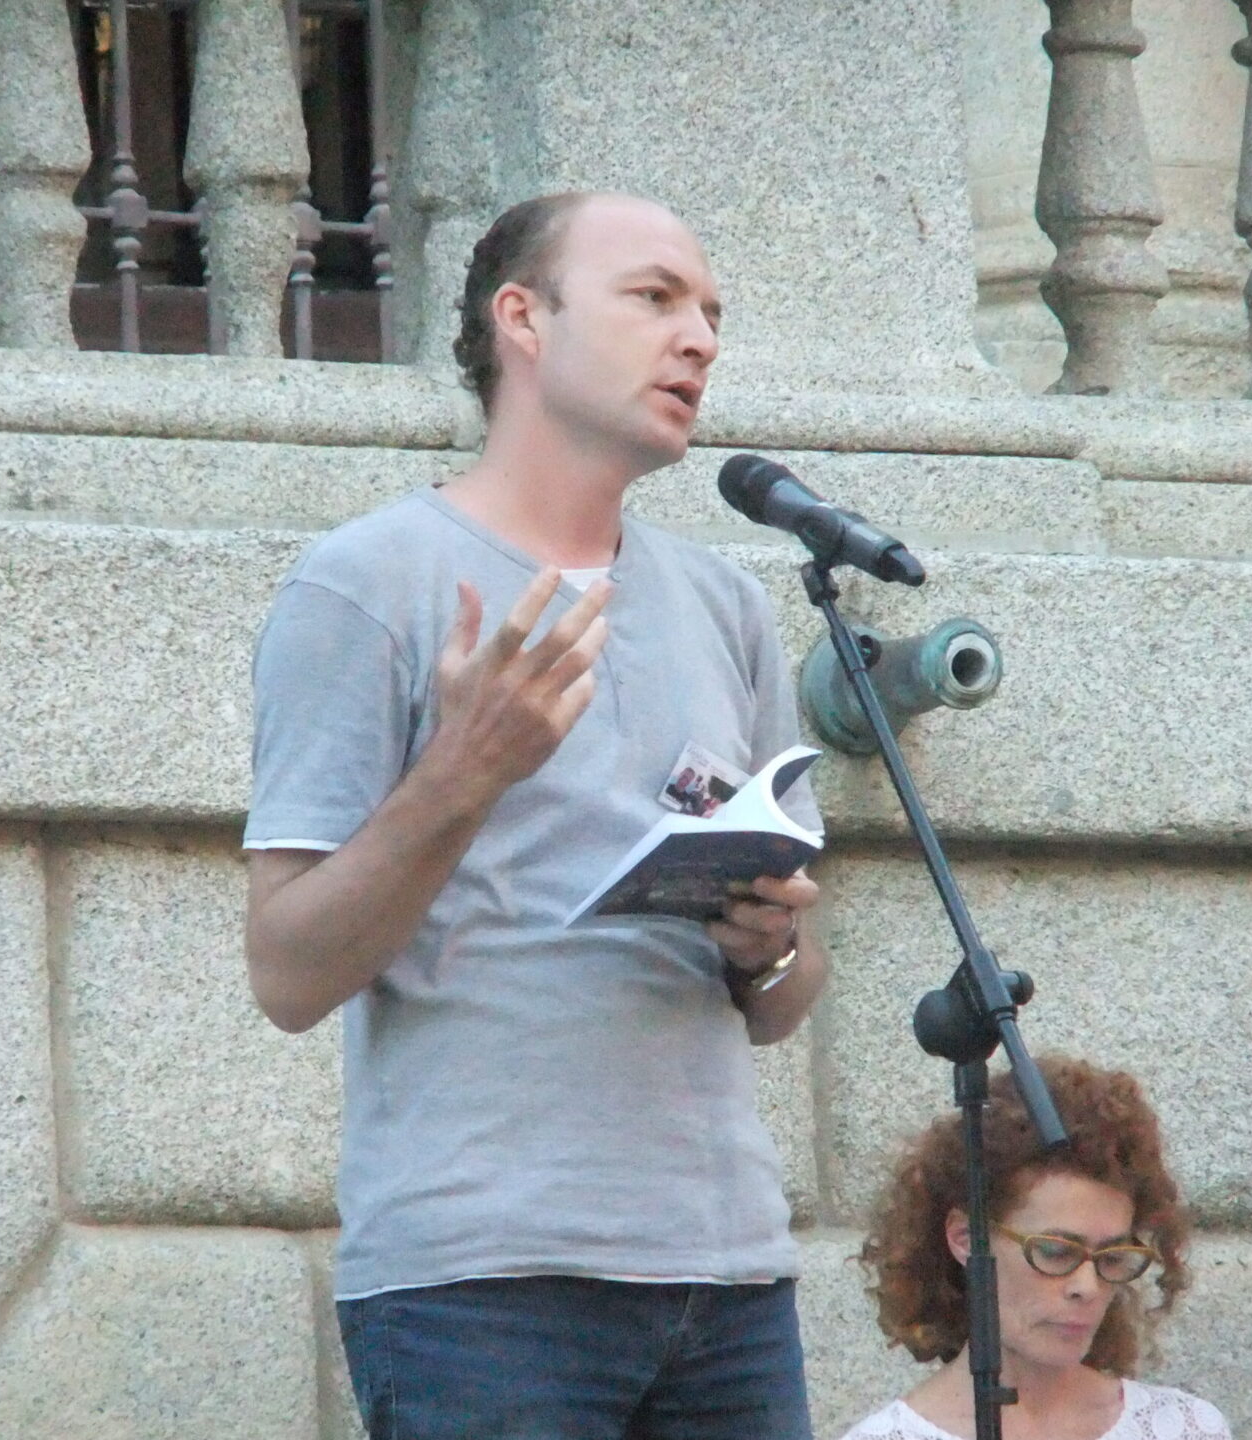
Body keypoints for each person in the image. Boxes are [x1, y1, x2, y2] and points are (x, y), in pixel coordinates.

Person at [243, 191, 828, 1439]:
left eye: (713, 313)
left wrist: (769, 940)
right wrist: (463, 775)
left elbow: (785, 1000)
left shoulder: (728, 607)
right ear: (522, 316)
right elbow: (287, 973)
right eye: (656, 297)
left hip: (727, 1281)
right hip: (481, 1291)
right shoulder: (367, 583)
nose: (701, 339)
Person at [840, 1056, 1232, 1440]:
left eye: (1112, 1258)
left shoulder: (1185, 1428)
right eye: (1056, 1252)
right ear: (965, 1239)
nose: (1088, 1287)